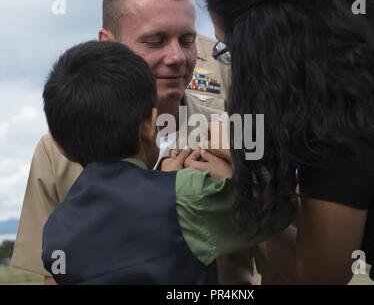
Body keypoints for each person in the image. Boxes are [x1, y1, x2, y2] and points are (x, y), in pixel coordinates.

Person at [12, 0, 257, 285]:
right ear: (108, 43)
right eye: (155, 40)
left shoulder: (239, 134)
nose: (177, 57)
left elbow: (296, 246)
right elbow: (55, 276)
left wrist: (248, 168)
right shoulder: (55, 150)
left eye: (188, 40)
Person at [199, 0, 374, 284]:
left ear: (262, 42)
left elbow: (319, 276)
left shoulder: (341, 111)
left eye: (231, 50)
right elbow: (341, 203)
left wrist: (236, 188)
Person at [40, 40, 297, 284]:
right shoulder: (189, 195)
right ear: (151, 124)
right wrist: (237, 155)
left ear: (62, 147)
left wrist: (162, 182)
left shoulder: (55, 232)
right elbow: (279, 209)